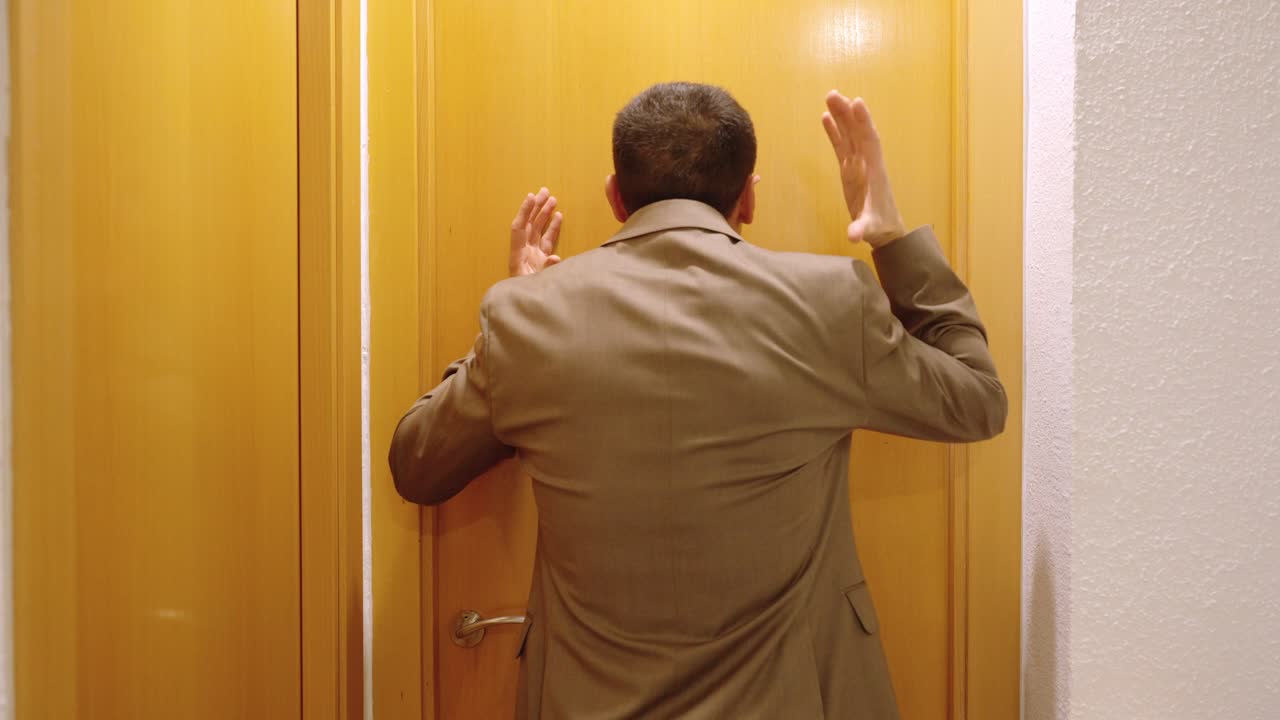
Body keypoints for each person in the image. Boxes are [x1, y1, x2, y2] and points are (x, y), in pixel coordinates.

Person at [389, 82, 1007, 719]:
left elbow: (418, 463)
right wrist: (891, 239)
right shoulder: (829, 303)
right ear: (748, 197)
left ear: (616, 198)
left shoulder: (525, 319)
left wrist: (516, 314)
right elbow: (978, 399)